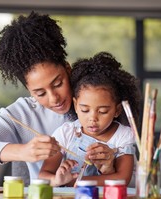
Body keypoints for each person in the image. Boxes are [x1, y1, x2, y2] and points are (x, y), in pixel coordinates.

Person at [0, 11, 116, 181]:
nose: (54, 98)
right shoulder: (25, 113)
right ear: (29, 90)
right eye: (40, 93)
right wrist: (23, 151)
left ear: (67, 68)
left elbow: (132, 177)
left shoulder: (100, 102)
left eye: (58, 84)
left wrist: (110, 165)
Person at [39, 51, 141, 187]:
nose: (92, 118)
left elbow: (122, 180)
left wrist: (76, 181)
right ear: (75, 105)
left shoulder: (123, 135)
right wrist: (58, 180)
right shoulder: (66, 133)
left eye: (103, 111)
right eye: (85, 110)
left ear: (117, 110)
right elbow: (43, 176)